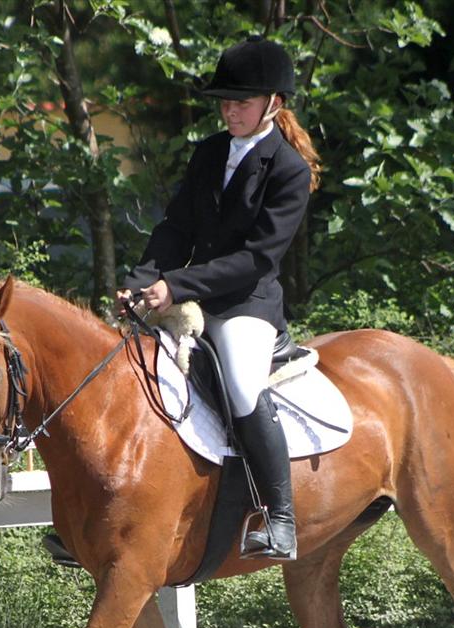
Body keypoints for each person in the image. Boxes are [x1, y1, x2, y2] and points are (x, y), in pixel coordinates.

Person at [116, 35, 322, 562]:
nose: (230, 110)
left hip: (247, 304)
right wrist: (143, 280)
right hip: (195, 294)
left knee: (241, 383)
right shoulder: (209, 153)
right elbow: (177, 226)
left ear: (273, 103)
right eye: (225, 101)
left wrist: (178, 286)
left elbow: (258, 258)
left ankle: (280, 518)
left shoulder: (289, 170)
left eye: (242, 102)